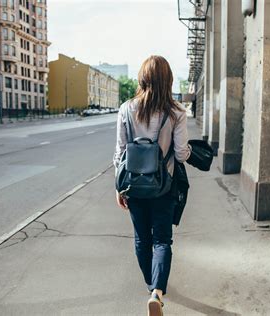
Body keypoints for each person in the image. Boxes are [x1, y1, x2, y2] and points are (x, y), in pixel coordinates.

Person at [113, 55, 191, 315]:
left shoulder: (126, 109)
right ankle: (157, 291)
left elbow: (120, 153)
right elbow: (181, 155)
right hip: (164, 186)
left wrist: (118, 188)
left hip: (134, 186)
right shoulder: (177, 112)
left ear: (142, 78)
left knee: (141, 239)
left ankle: (152, 287)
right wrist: (190, 150)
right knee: (162, 240)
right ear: (168, 80)